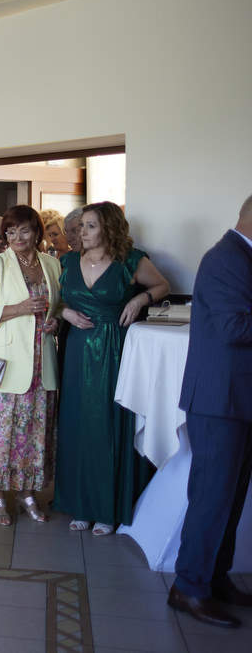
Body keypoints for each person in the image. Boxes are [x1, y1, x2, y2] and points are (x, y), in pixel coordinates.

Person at [54, 201, 169, 535]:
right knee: (77, 423)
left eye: (89, 226)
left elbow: (161, 286)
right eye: (80, 226)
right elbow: (55, 300)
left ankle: (107, 507)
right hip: (77, 349)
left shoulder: (131, 260)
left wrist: (139, 299)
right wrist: (64, 312)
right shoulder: (67, 261)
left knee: (107, 424)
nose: (81, 232)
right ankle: (81, 504)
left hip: (116, 348)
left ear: (109, 227)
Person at [168, 194, 252, 628]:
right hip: (220, 400)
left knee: (231, 498)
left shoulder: (240, 257)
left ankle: (215, 578)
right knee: (212, 498)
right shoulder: (226, 258)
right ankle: (190, 587)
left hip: (238, 397)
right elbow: (234, 326)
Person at [0, 205, 62, 525]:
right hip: (6, 363)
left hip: (42, 361)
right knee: (0, 434)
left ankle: (27, 492)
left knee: (34, 433)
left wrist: (56, 322)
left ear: (37, 232)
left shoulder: (51, 264)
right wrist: (19, 308)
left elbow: (58, 307)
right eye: (11, 231)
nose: (17, 237)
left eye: (25, 230)